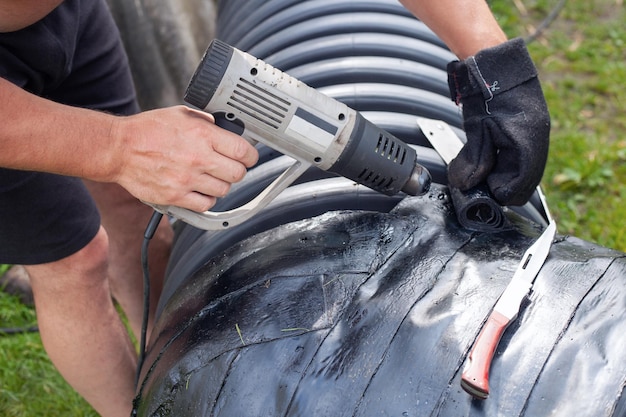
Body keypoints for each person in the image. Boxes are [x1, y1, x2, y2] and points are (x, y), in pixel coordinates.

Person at [0, 1, 549, 416]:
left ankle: (169, 360)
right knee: (75, 265)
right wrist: (115, 147)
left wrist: (494, 64)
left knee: (129, 208)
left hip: (62, 16)